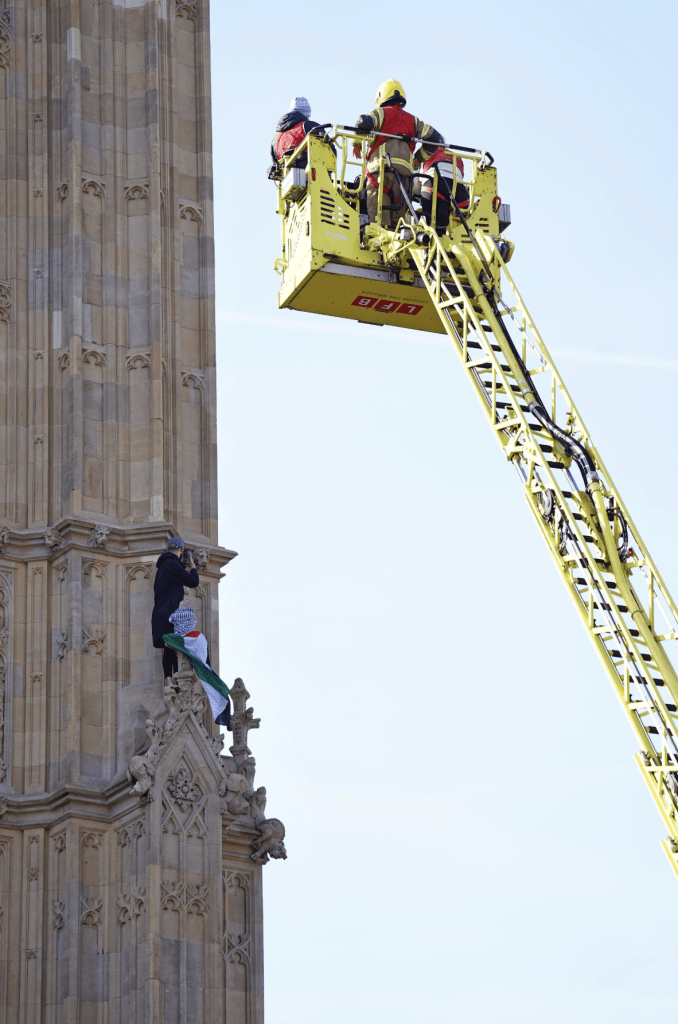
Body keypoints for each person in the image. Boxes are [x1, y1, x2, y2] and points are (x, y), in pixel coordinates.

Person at [353, 80, 440, 228]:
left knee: (379, 224)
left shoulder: (380, 114)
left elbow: (361, 122)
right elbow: (435, 139)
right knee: (399, 227)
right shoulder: (413, 121)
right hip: (405, 180)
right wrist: (419, 158)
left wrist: (356, 144)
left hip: (380, 176)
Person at [164, 606, 231, 727]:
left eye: (178, 623)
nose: (177, 626)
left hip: (192, 679)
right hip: (179, 682)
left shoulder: (195, 638)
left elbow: (168, 639)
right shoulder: (187, 639)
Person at [152, 537, 200, 684]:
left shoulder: (162, 568)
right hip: (170, 615)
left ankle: (169, 680)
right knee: (173, 646)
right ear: (180, 550)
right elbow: (193, 581)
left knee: (169, 648)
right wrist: (192, 565)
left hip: (159, 617)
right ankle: (174, 680)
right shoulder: (172, 565)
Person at [413, 131, 470, 234]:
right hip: (460, 192)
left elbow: (415, 185)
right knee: (443, 217)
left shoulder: (425, 154)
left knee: (430, 225)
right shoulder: (457, 157)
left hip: (433, 185)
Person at [270, 97, 319, 172]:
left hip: (285, 180)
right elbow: (329, 151)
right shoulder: (309, 126)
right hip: (310, 174)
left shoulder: (275, 139)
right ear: (307, 113)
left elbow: (275, 164)